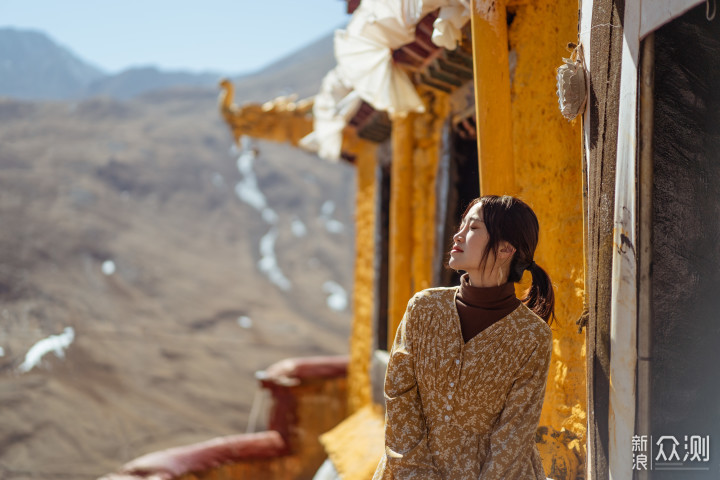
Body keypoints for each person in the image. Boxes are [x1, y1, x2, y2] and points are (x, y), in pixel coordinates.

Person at [372, 195, 555, 480]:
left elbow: (514, 436)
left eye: (473, 228)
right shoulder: (424, 308)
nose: (457, 235)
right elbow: (399, 399)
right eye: (461, 225)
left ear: (506, 248)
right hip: (408, 472)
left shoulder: (532, 336)